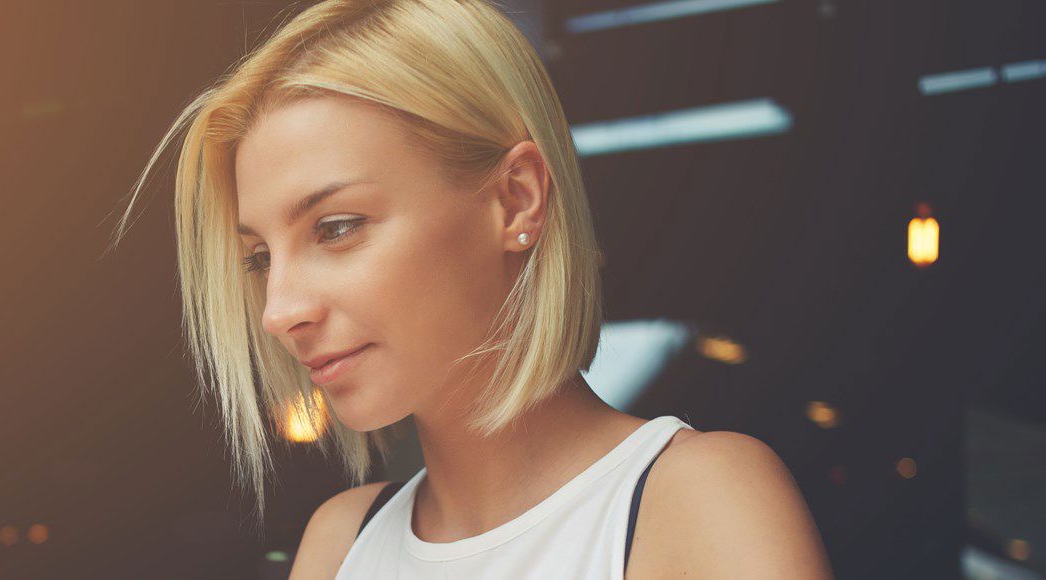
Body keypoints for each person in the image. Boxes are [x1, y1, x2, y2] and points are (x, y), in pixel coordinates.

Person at [108, 0, 833, 577]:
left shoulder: (697, 503)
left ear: (516, 200)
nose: (279, 312)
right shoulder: (339, 545)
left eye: (336, 228)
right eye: (260, 257)